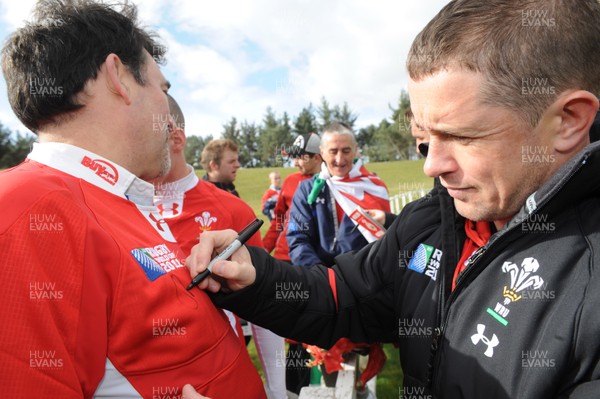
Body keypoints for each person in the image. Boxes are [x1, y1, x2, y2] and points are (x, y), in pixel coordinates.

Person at [186, 1, 600, 398]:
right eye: (424, 137)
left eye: (461, 136)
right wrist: (255, 278)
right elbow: (344, 296)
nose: (431, 166)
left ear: (567, 121)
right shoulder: (434, 219)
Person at [0, 1, 265, 398]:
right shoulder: (26, 209)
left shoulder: (117, 197)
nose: (169, 112)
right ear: (118, 76)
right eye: (162, 88)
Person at [152, 95, 287, 399]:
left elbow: (265, 312)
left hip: (227, 384)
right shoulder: (115, 210)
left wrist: (277, 392)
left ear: (175, 137)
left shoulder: (231, 210)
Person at [261, 133, 323, 394]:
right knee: (287, 323)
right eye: (295, 158)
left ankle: (312, 383)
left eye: (302, 158)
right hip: (283, 261)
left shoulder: (330, 182)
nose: (296, 163)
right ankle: (291, 388)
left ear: (319, 157)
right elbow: (277, 222)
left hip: (311, 265)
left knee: (309, 324)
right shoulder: (289, 181)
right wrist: (262, 250)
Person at [287, 122, 390, 268]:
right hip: (321, 280)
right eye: (333, 151)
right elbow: (297, 238)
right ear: (322, 153)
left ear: (355, 150)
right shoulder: (307, 189)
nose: (340, 159)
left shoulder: (374, 187)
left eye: (346, 151)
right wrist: (321, 276)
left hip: (365, 280)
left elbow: (384, 242)